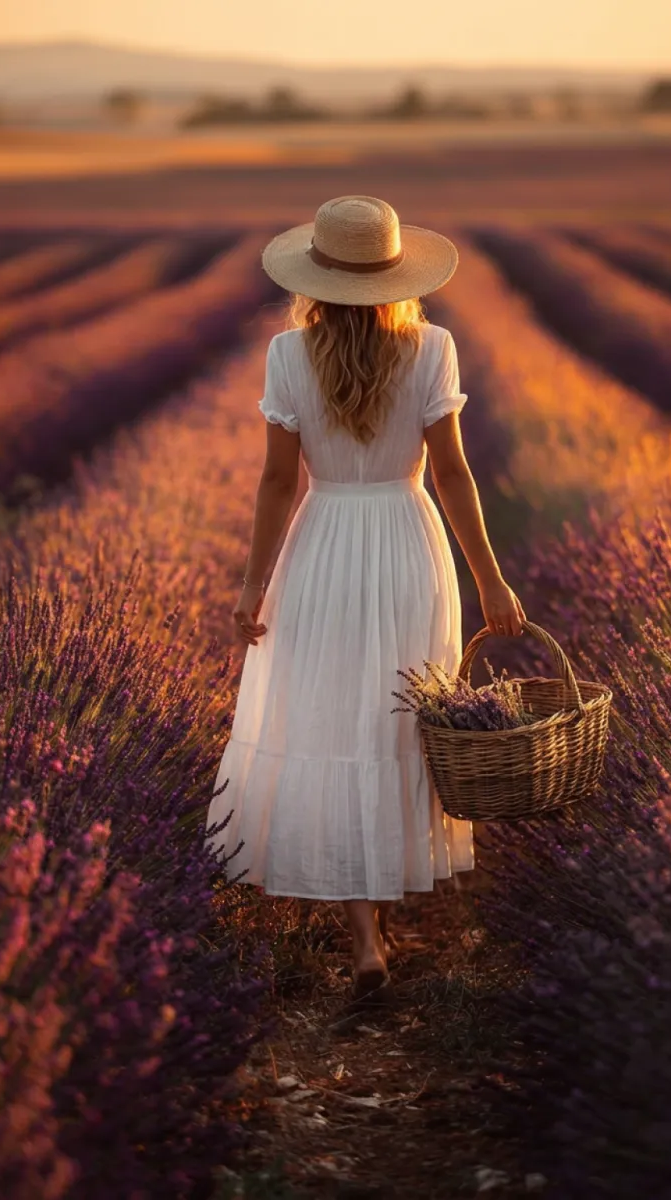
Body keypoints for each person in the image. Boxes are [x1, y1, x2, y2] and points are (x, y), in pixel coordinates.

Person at [205, 195, 526, 1006]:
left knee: (331, 715)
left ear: (314, 278)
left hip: (322, 547)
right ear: (396, 277)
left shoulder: (288, 355)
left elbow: (280, 482)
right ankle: (380, 891)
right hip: (408, 546)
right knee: (400, 719)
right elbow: (452, 474)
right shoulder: (433, 348)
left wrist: (252, 585)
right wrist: (490, 576)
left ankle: (363, 937)